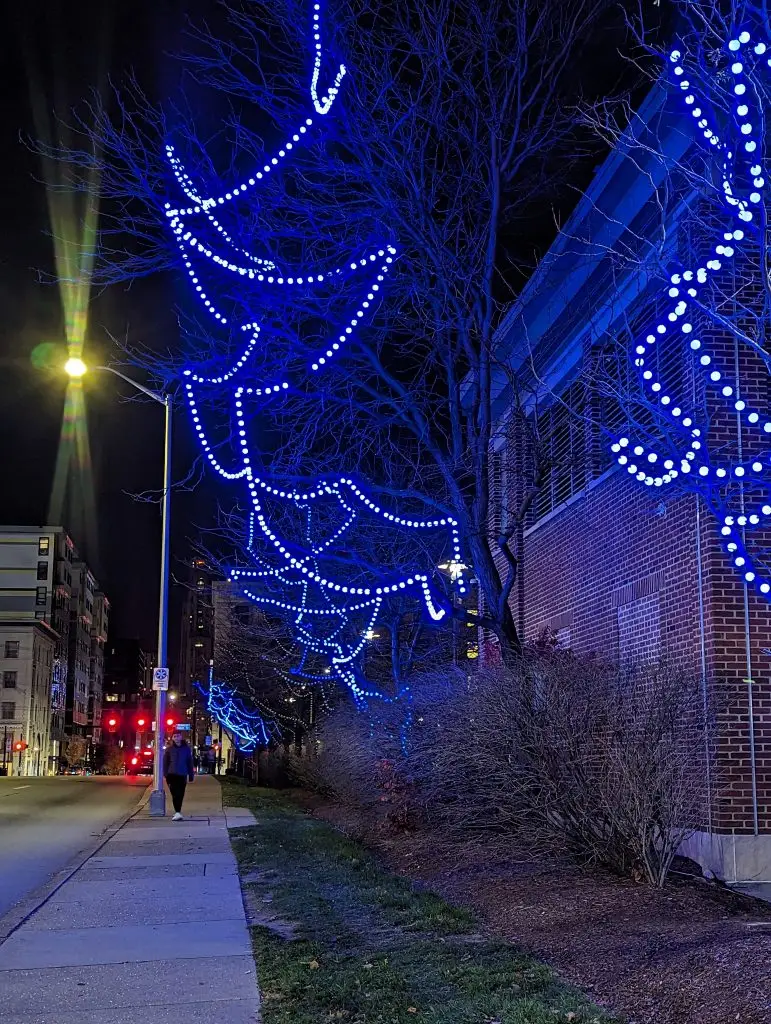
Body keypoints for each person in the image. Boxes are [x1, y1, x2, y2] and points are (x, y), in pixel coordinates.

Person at [163, 731, 195, 820]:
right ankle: (177, 812)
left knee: (180, 794)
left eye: (178, 736)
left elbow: (189, 762)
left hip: (182, 774)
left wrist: (191, 774)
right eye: (175, 736)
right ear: (172, 738)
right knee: (174, 794)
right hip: (171, 775)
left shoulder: (186, 749)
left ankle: (178, 812)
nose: (176, 738)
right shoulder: (169, 749)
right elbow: (165, 763)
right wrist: (165, 774)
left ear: (181, 737)